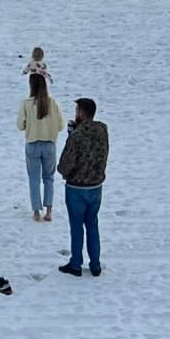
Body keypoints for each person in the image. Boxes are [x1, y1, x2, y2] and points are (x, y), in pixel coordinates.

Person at [57, 96, 110, 277]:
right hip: (96, 187)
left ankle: (76, 263)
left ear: (80, 112)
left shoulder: (77, 136)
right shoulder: (103, 130)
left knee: (77, 226)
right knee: (93, 225)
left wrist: (71, 136)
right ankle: (95, 264)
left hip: (76, 188)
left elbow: (65, 165)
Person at [16, 68, 65, 221]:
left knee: (34, 179)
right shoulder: (53, 103)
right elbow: (61, 125)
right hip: (49, 144)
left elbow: (20, 125)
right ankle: (49, 211)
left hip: (32, 143)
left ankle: (36, 212)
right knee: (49, 178)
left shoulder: (27, 104)